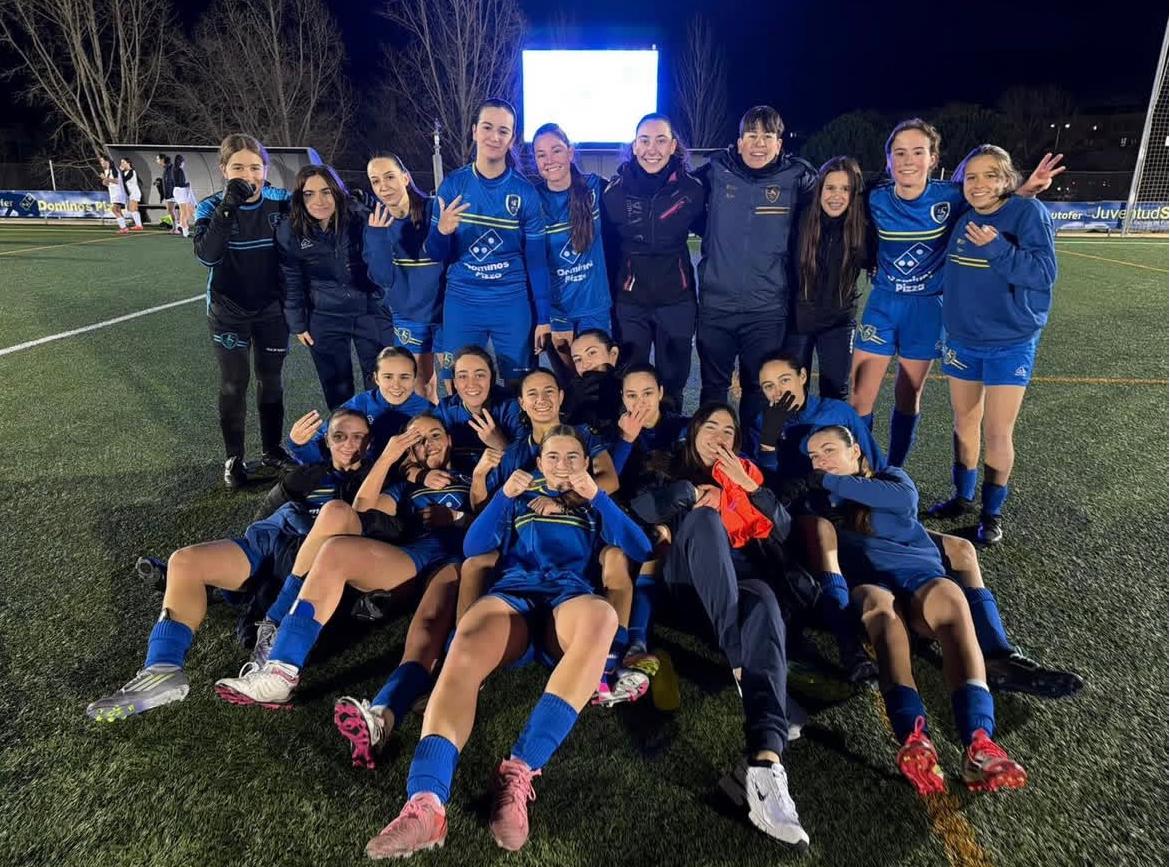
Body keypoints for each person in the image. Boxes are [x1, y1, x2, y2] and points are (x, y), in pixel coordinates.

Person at [364, 426, 652, 857]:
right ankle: (426, 803)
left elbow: (641, 548)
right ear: (539, 463)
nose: (562, 466)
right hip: (513, 598)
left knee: (602, 617)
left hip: (567, 602)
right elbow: (474, 546)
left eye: (572, 458)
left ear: (586, 464)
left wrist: (598, 497)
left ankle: (519, 772)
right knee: (466, 640)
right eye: (553, 457)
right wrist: (503, 496)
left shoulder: (594, 504)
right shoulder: (519, 495)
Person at [85, 409, 372, 722]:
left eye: (358, 437)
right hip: (266, 543)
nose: (349, 444)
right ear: (326, 440)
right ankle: (162, 670)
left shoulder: (373, 479)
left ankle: (272, 643)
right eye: (339, 436)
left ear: (370, 443)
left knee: (265, 609)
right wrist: (288, 483)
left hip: (310, 560)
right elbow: (266, 515)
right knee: (185, 562)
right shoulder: (307, 473)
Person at [803, 425, 1028, 795]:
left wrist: (827, 480)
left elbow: (898, 500)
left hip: (921, 577)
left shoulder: (892, 479)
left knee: (952, 599)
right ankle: (913, 736)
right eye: (814, 456)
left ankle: (979, 742)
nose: (821, 461)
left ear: (855, 451)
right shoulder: (819, 504)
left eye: (828, 450)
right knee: (882, 614)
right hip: (872, 584)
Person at [214, 414, 468, 711]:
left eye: (435, 435)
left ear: (450, 439)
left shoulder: (472, 474)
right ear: (409, 451)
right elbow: (361, 509)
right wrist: (388, 458)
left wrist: (458, 517)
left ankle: (393, 706)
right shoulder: (403, 487)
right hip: (411, 562)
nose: (428, 444)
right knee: (335, 542)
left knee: (432, 626)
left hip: (457, 562)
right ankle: (282, 670)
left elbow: (499, 517)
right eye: (417, 440)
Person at [850, 118, 1064, 467]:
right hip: (883, 304)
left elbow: (991, 203)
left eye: (918, 152)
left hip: (927, 309)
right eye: (899, 153)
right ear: (888, 160)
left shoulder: (951, 197)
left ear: (933, 158)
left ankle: (893, 471)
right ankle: (859, 469)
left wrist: (1025, 190)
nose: (908, 160)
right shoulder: (874, 199)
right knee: (860, 397)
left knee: (908, 396)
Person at [647, 404, 808, 846]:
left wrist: (750, 488)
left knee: (765, 602)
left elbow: (784, 529)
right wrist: (689, 493)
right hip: (688, 585)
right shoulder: (669, 467)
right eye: (710, 426)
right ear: (694, 432)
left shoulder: (747, 476)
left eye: (728, 430)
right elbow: (643, 509)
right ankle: (742, 664)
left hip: (741, 582)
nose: (719, 435)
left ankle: (765, 765)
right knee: (704, 518)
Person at [929, 145, 1057, 545]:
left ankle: (991, 513)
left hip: (1010, 343)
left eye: (990, 175)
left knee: (998, 432)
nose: (979, 184)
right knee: (963, 422)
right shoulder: (964, 217)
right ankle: (962, 498)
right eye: (971, 177)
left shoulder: (1029, 213)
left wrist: (997, 248)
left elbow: (1043, 273)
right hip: (962, 341)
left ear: (1006, 179)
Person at [693, 105, 817, 425]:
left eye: (767, 136)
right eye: (751, 135)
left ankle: (754, 452)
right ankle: (710, 452)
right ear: (739, 142)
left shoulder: (798, 177)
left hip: (766, 311)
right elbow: (675, 193)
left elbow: (838, 205)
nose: (758, 143)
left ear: (779, 143)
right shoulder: (715, 170)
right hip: (716, 307)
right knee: (713, 389)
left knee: (758, 390)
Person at [193, 133, 296, 488]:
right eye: (238, 167)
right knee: (234, 383)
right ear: (224, 170)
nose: (248, 175)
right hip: (228, 311)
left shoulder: (281, 201)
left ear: (265, 169)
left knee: (272, 380)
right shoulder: (209, 207)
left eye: (255, 167)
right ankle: (234, 459)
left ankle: (272, 450)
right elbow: (208, 256)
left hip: (272, 309)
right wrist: (228, 208)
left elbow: (317, 211)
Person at [427, 98, 552, 389]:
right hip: (463, 300)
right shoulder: (453, 185)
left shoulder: (525, 193)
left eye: (503, 131)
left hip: (511, 301)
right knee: (457, 385)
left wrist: (543, 317)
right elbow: (434, 253)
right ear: (474, 131)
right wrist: (442, 232)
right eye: (487, 127)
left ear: (512, 138)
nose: (494, 137)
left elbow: (537, 262)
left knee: (520, 386)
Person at [602, 112, 706, 410]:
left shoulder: (692, 190)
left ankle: (669, 435)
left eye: (661, 140)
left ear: (673, 146)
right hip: (631, 302)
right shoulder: (613, 192)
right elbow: (606, 248)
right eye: (645, 140)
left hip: (677, 301)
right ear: (634, 146)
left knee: (672, 384)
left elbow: (714, 233)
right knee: (631, 381)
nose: (652, 149)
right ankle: (633, 436)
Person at [277, 164, 395, 410]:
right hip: (324, 315)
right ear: (299, 197)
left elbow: (383, 263)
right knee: (337, 390)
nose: (319, 201)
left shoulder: (359, 216)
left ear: (337, 191)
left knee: (380, 383)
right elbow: (291, 278)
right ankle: (345, 434)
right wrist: (298, 322)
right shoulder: (290, 229)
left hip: (369, 310)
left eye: (326, 192)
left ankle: (382, 431)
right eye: (309, 194)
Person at [784, 156, 871, 401]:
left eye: (845, 189)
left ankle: (831, 429)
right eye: (830, 187)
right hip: (797, 321)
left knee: (835, 393)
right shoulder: (800, 218)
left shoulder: (864, 226)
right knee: (791, 394)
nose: (836, 196)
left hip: (838, 322)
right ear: (820, 189)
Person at [363, 151, 443, 401]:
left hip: (447, 312)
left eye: (389, 177)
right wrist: (377, 238)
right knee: (421, 385)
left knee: (456, 382)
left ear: (405, 178)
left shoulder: (434, 209)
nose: (383, 186)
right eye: (375, 181)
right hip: (409, 315)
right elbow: (383, 278)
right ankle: (430, 425)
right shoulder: (376, 223)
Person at [531, 123, 612, 367]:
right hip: (558, 312)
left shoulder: (595, 187)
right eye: (541, 155)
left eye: (556, 150)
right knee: (567, 382)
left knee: (597, 380)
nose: (549, 160)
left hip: (594, 307)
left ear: (570, 152)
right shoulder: (532, 200)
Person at [287, 346, 432, 465]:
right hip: (360, 479)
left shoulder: (429, 412)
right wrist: (299, 445)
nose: (396, 385)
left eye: (404, 377)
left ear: (414, 378)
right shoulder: (358, 406)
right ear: (376, 378)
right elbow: (321, 454)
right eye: (388, 377)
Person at [434, 345, 525, 472]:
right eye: (463, 376)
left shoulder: (510, 407)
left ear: (492, 379)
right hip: (459, 480)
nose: (471, 384)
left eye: (480, 375)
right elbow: (417, 456)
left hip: (504, 480)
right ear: (454, 383)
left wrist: (501, 444)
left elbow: (531, 464)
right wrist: (424, 474)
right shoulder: (445, 411)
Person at [98, 155, 128, 233]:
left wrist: (105, 178)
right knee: (118, 210)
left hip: (118, 192)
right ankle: (124, 228)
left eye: (102, 161)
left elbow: (116, 181)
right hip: (113, 193)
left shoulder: (114, 169)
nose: (101, 163)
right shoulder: (106, 171)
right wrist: (104, 181)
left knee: (114, 209)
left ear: (107, 161)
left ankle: (124, 228)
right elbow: (108, 184)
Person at [172, 154, 195, 238]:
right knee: (184, 212)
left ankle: (182, 227)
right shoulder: (180, 170)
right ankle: (184, 229)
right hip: (181, 191)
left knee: (184, 211)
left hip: (176, 190)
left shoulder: (174, 169)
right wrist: (187, 184)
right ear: (181, 162)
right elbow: (181, 183)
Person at [119, 157, 144, 231]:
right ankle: (139, 225)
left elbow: (124, 179)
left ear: (128, 163)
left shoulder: (132, 171)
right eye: (121, 162)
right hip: (131, 193)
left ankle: (139, 225)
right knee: (133, 209)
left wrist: (121, 171)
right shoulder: (125, 172)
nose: (122, 164)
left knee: (132, 209)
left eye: (123, 162)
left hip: (134, 192)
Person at [156, 154, 178, 234]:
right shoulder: (167, 168)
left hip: (171, 193)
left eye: (158, 159)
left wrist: (170, 193)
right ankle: (174, 227)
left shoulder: (170, 168)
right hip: (169, 193)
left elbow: (171, 181)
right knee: (170, 211)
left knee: (170, 210)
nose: (157, 161)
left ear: (162, 160)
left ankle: (175, 228)